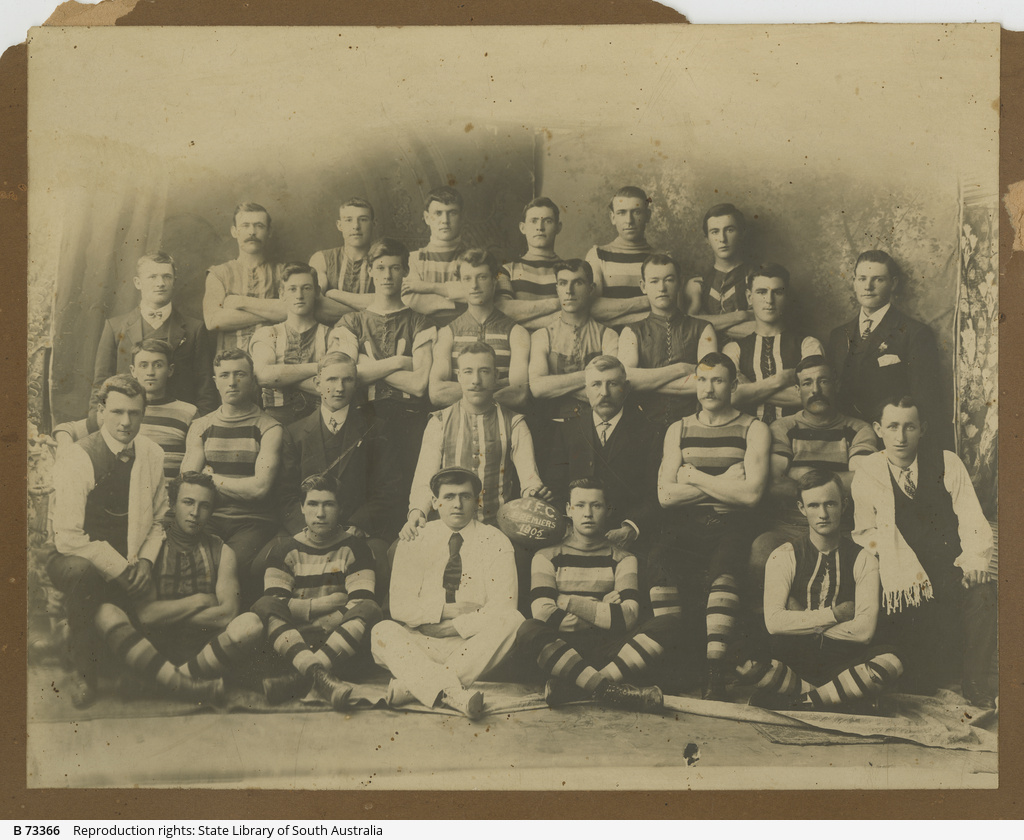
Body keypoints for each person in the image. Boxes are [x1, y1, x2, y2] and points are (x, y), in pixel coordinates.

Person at [852, 396, 996, 707]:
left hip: (946, 573)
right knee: (921, 682)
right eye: (892, 427)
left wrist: (974, 564)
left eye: (909, 427)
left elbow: (972, 518)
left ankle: (976, 682)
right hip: (900, 581)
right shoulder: (869, 470)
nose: (900, 437)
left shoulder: (947, 463)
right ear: (878, 429)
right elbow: (864, 532)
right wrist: (895, 560)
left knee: (983, 592)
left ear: (923, 429)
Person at [652, 352, 771, 700]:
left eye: (717, 380)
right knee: (660, 560)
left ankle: (713, 673)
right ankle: (673, 661)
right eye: (702, 380)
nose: (708, 388)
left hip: (732, 523)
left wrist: (694, 475)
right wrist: (722, 481)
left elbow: (750, 496)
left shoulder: (754, 428)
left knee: (724, 572)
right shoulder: (679, 429)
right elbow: (664, 496)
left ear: (734, 385)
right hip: (686, 524)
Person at [47, 374, 167, 707]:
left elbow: (159, 518)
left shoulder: (152, 454)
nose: (126, 422)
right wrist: (121, 569)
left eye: (134, 413)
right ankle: (85, 674)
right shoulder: (78, 457)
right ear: (102, 411)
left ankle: (134, 666)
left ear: (143, 413)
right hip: (73, 555)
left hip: (130, 557)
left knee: (151, 583)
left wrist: (145, 560)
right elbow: (69, 537)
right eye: (117, 412)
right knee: (84, 576)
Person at [738, 470, 904, 711]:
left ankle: (801, 701)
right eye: (814, 505)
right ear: (802, 508)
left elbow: (864, 632)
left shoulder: (864, 559)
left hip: (843, 660)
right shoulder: (783, 556)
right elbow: (774, 623)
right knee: (744, 660)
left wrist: (799, 620)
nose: (823, 514)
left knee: (893, 662)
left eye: (830, 504)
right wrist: (834, 615)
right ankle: (841, 699)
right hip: (793, 660)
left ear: (844, 505)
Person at [93, 472, 263, 704]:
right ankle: (184, 683)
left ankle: (167, 682)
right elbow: (146, 615)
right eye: (188, 502)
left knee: (250, 625)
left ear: (212, 510)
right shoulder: (151, 547)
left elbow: (227, 615)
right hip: (152, 648)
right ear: (172, 504)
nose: (195, 513)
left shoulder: (222, 551)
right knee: (105, 612)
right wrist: (200, 601)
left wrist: (168, 613)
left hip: (203, 651)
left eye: (204, 506)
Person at [371, 467, 524, 719]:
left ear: (477, 501)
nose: (457, 504)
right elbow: (400, 607)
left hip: (471, 646)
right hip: (421, 642)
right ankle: (452, 692)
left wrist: (453, 627)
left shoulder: (495, 541)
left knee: (514, 621)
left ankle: (414, 687)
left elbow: (504, 606)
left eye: (465, 496)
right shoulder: (415, 539)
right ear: (435, 501)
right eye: (449, 496)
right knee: (382, 631)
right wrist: (445, 611)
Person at [516, 479, 676, 712]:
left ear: (607, 510)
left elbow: (628, 617)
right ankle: (611, 691)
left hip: (611, 652)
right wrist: (601, 607)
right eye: (580, 505)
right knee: (528, 629)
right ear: (568, 510)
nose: (588, 513)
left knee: (668, 623)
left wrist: (565, 601)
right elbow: (543, 613)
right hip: (563, 649)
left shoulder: (623, 558)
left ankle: (581, 686)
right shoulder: (546, 556)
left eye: (596, 506)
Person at [252, 474, 382, 710]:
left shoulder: (356, 548)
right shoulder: (284, 549)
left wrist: (318, 620)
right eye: (312, 504)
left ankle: (302, 677)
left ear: (340, 508)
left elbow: (361, 601)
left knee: (370, 608)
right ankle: (321, 677)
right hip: (292, 642)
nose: (320, 513)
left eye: (328, 504)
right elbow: (276, 603)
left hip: (340, 644)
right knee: (264, 605)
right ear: (302, 507)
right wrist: (328, 603)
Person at [405, 342, 549, 539]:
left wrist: (534, 495)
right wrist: (417, 512)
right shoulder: (439, 422)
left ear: (496, 375)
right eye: (468, 371)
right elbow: (424, 480)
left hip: (497, 530)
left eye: (484, 371)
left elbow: (530, 479)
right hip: (448, 528)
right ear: (459, 376)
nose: (476, 380)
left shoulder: (515, 423)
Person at [329, 238, 435, 501]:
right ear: (370, 271)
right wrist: (400, 362)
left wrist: (365, 363)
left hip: (411, 420)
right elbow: (345, 377)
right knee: (366, 492)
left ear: (405, 272)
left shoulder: (420, 321)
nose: (387, 275)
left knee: (408, 491)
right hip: (364, 418)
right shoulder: (351, 322)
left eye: (395, 268)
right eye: (380, 267)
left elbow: (420, 384)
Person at [181, 349, 284, 606]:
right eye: (224, 375)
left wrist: (214, 480)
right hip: (208, 519)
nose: (232, 382)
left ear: (252, 379)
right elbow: (190, 483)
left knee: (229, 565)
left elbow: (259, 488)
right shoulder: (201, 426)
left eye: (240, 374)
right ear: (215, 381)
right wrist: (222, 484)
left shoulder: (269, 428)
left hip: (251, 523)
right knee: (185, 562)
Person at [826, 250, 948, 448]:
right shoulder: (839, 335)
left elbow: (925, 402)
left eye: (878, 279)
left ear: (893, 284)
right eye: (862, 278)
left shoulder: (914, 333)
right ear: (854, 282)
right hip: (843, 441)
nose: (868, 286)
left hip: (890, 444)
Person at [542, 356, 662, 554]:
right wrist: (570, 527)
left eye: (613, 384)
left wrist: (631, 528)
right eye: (596, 384)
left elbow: (654, 494)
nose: (604, 393)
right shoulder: (568, 431)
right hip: (575, 537)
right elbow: (555, 488)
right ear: (586, 390)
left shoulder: (649, 432)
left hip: (629, 539)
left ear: (627, 388)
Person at [279, 352, 402, 542]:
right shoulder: (294, 433)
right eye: (332, 379)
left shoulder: (376, 428)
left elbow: (388, 489)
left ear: (356, 385)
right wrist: (306, 530)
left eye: (347, 380)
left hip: (357, 532)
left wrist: (358, 526)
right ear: (318, 384)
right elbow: (285, 494)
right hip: (307, 532)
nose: (339, 388)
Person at [91, 251, 217, 418]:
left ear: (174, 282)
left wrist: (198, 427)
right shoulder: (115, 327)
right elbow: (101, 384)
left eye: (167, 277)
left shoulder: (195, 329)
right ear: (138, 282)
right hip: (126, 422)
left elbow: (205, 388)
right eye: (152, 277)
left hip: (178, 424)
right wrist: (98, 422)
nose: (160, 283)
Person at [57, 339, 199, 480]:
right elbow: (67, 429)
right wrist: (65, 447)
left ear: (170, 370)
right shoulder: (119, 411)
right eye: (143, 365)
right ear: (133, 371)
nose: (150, 372)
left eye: (158, 365)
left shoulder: (188, 412)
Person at [618, 253, 717, 432]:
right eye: (654, 281)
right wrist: (683, 369)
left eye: (669, 280)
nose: (662, 288)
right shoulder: (631, 331)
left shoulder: (703, 328)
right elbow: (626, 380)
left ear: (679, 282)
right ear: (643, 286)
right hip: (642, 429)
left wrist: (649, 383)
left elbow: (708, 382)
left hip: (694, 426)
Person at [429, 249, 531, 410]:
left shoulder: (516, 333)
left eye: (482, 277)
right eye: (467, 279)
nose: (474, 285)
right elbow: (437, 393)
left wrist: (468, 391)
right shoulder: (447, 333)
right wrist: (499, 385)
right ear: (461, 283)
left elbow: (519, 394)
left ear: (494, 281)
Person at [723, 263, 823, 424]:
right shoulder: (733, 349)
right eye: (761, 292)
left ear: (787, 296)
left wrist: (749, 389)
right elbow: (730, 397)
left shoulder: (808, 345)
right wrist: (781, 380)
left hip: (796, 437)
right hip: (747, 440)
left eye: (777, 292)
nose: (769, 300)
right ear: (749, 297)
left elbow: (813, 396)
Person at [399, 186, 512, 324]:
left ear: (462, 217)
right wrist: (464, 301)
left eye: (452, 213)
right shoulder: (412, 259)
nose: (445, 220)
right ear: (427, 218)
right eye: (438, 213)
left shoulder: (479, 259)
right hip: (425, 333)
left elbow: (489, 296)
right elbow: (410, 302)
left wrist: (429, 288)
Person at [528, 259, 618, 429]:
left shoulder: (608, 335)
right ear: (557, 289)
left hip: (598, 428)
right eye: (563, 283)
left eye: (578, 282)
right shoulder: (543, 336)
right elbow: (538, 388)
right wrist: (593, 377)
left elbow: (610, 392)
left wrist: (556, 386)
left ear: (591, 288)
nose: (569, 291)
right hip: (552, 427)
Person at [250, 262, 331, 426]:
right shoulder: (267, 334)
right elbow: (264, 376)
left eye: (306, 288)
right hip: (275, 424)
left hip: (320, 422)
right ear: (282, 294)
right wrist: (320, 367)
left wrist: (281, 375)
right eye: (292, 289)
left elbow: (334, 384)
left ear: (316, 292)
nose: (299, 295)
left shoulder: (332, 335)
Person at [203, 202, 287, 355]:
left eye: (259, 226)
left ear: (269, 232)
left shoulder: (283, 272)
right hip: (230, 367)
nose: (252, 232)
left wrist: (239, 302)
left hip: (275, 360)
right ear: (234, 231)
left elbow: (291, 311)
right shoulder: (218, 274)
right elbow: (213, 321)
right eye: (245, 225)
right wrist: (271, 312)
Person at [584, 185, 656, 327]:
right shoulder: (598, 255)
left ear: (647, 216)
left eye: (636, 212)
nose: (629, 220)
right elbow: (591, 309)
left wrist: (614, 318)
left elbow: (670, 313)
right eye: (622, 213)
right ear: (613, 217)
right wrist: (648, 301)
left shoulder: (662, 258)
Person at [684, 204, 756, 340]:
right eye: (715, 232)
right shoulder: (697, 284)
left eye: (729, 230)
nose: (722, 239)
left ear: (741, 234)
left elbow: (763, 329)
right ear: (707, 240)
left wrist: (711, 325)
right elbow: (688, 326)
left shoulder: (757, 277)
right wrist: (742, 316)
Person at [309, 196, 378, 321]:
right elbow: (315, 303)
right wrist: (366, 311)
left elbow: (389, 301)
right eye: (349, 220)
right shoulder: (322, 259)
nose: (356, 226)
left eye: (363, 219)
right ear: (339, 225)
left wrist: (334, 294)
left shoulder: (384, 259)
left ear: (373, 224)